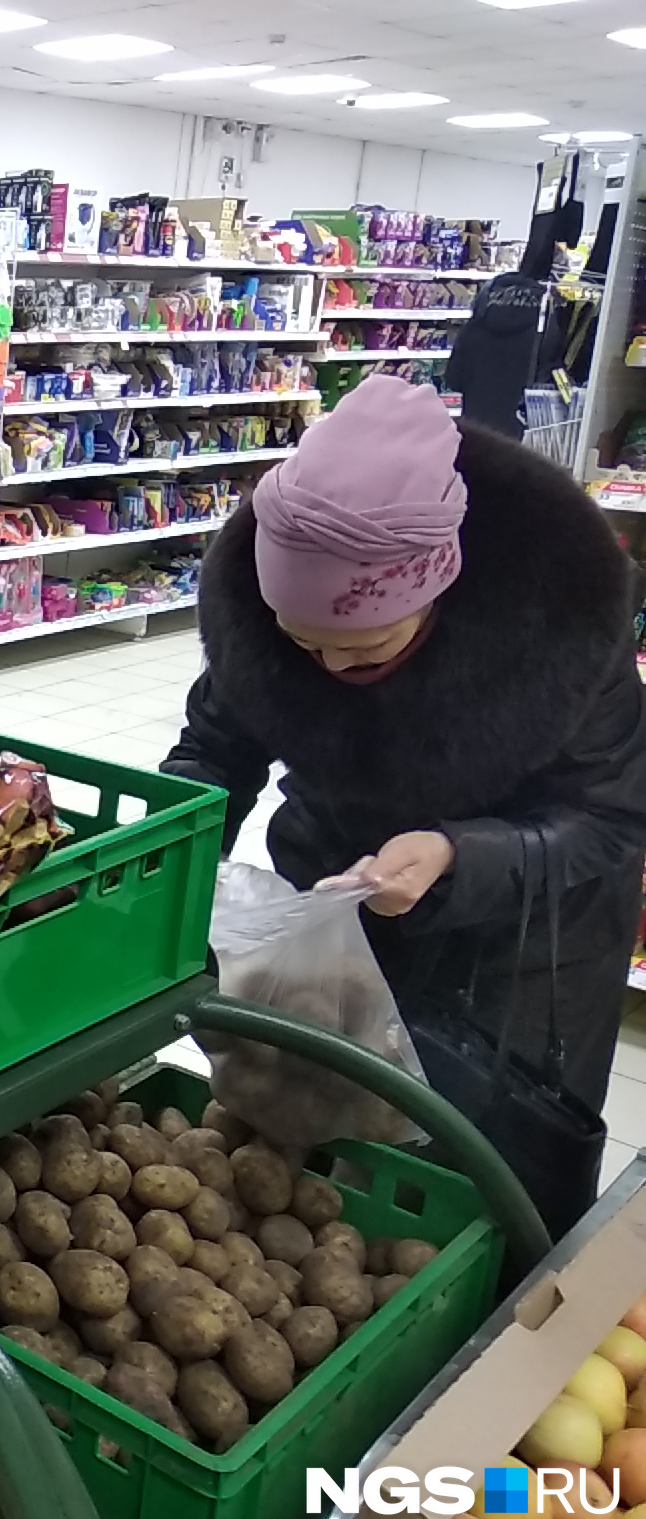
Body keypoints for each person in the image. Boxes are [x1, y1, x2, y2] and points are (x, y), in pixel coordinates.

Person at [163, 373, 646, 1230]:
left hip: (522, 949)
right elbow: (215, 749)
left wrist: (460, 855)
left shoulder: (562, 622)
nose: (333, 671)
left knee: (483, 1190)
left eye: (366, 646)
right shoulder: (255, 607)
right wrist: (162, 871)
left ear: (438, 587)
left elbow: (608, 820)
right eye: (302, 645)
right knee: (310, 1165)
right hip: (337, 911)